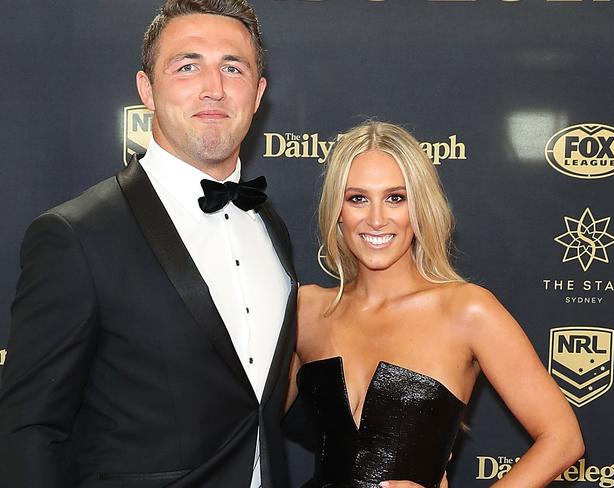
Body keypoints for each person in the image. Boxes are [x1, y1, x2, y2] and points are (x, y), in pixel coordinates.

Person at [0, 1, 297, 487]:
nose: (213, 87)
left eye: (233, 67)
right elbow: (30, 431)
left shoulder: (270, 227)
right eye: (187, 65)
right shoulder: (76, 236)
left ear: (259, 92)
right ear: (147, 89)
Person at [285, 121, 584, 488]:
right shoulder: (306, 308)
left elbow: (563, 439)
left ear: (420, 206)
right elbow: (251, 422)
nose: (377, 219)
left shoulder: (468, 311)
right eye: (357, 198)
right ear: (338, 211)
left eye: (396, 197)